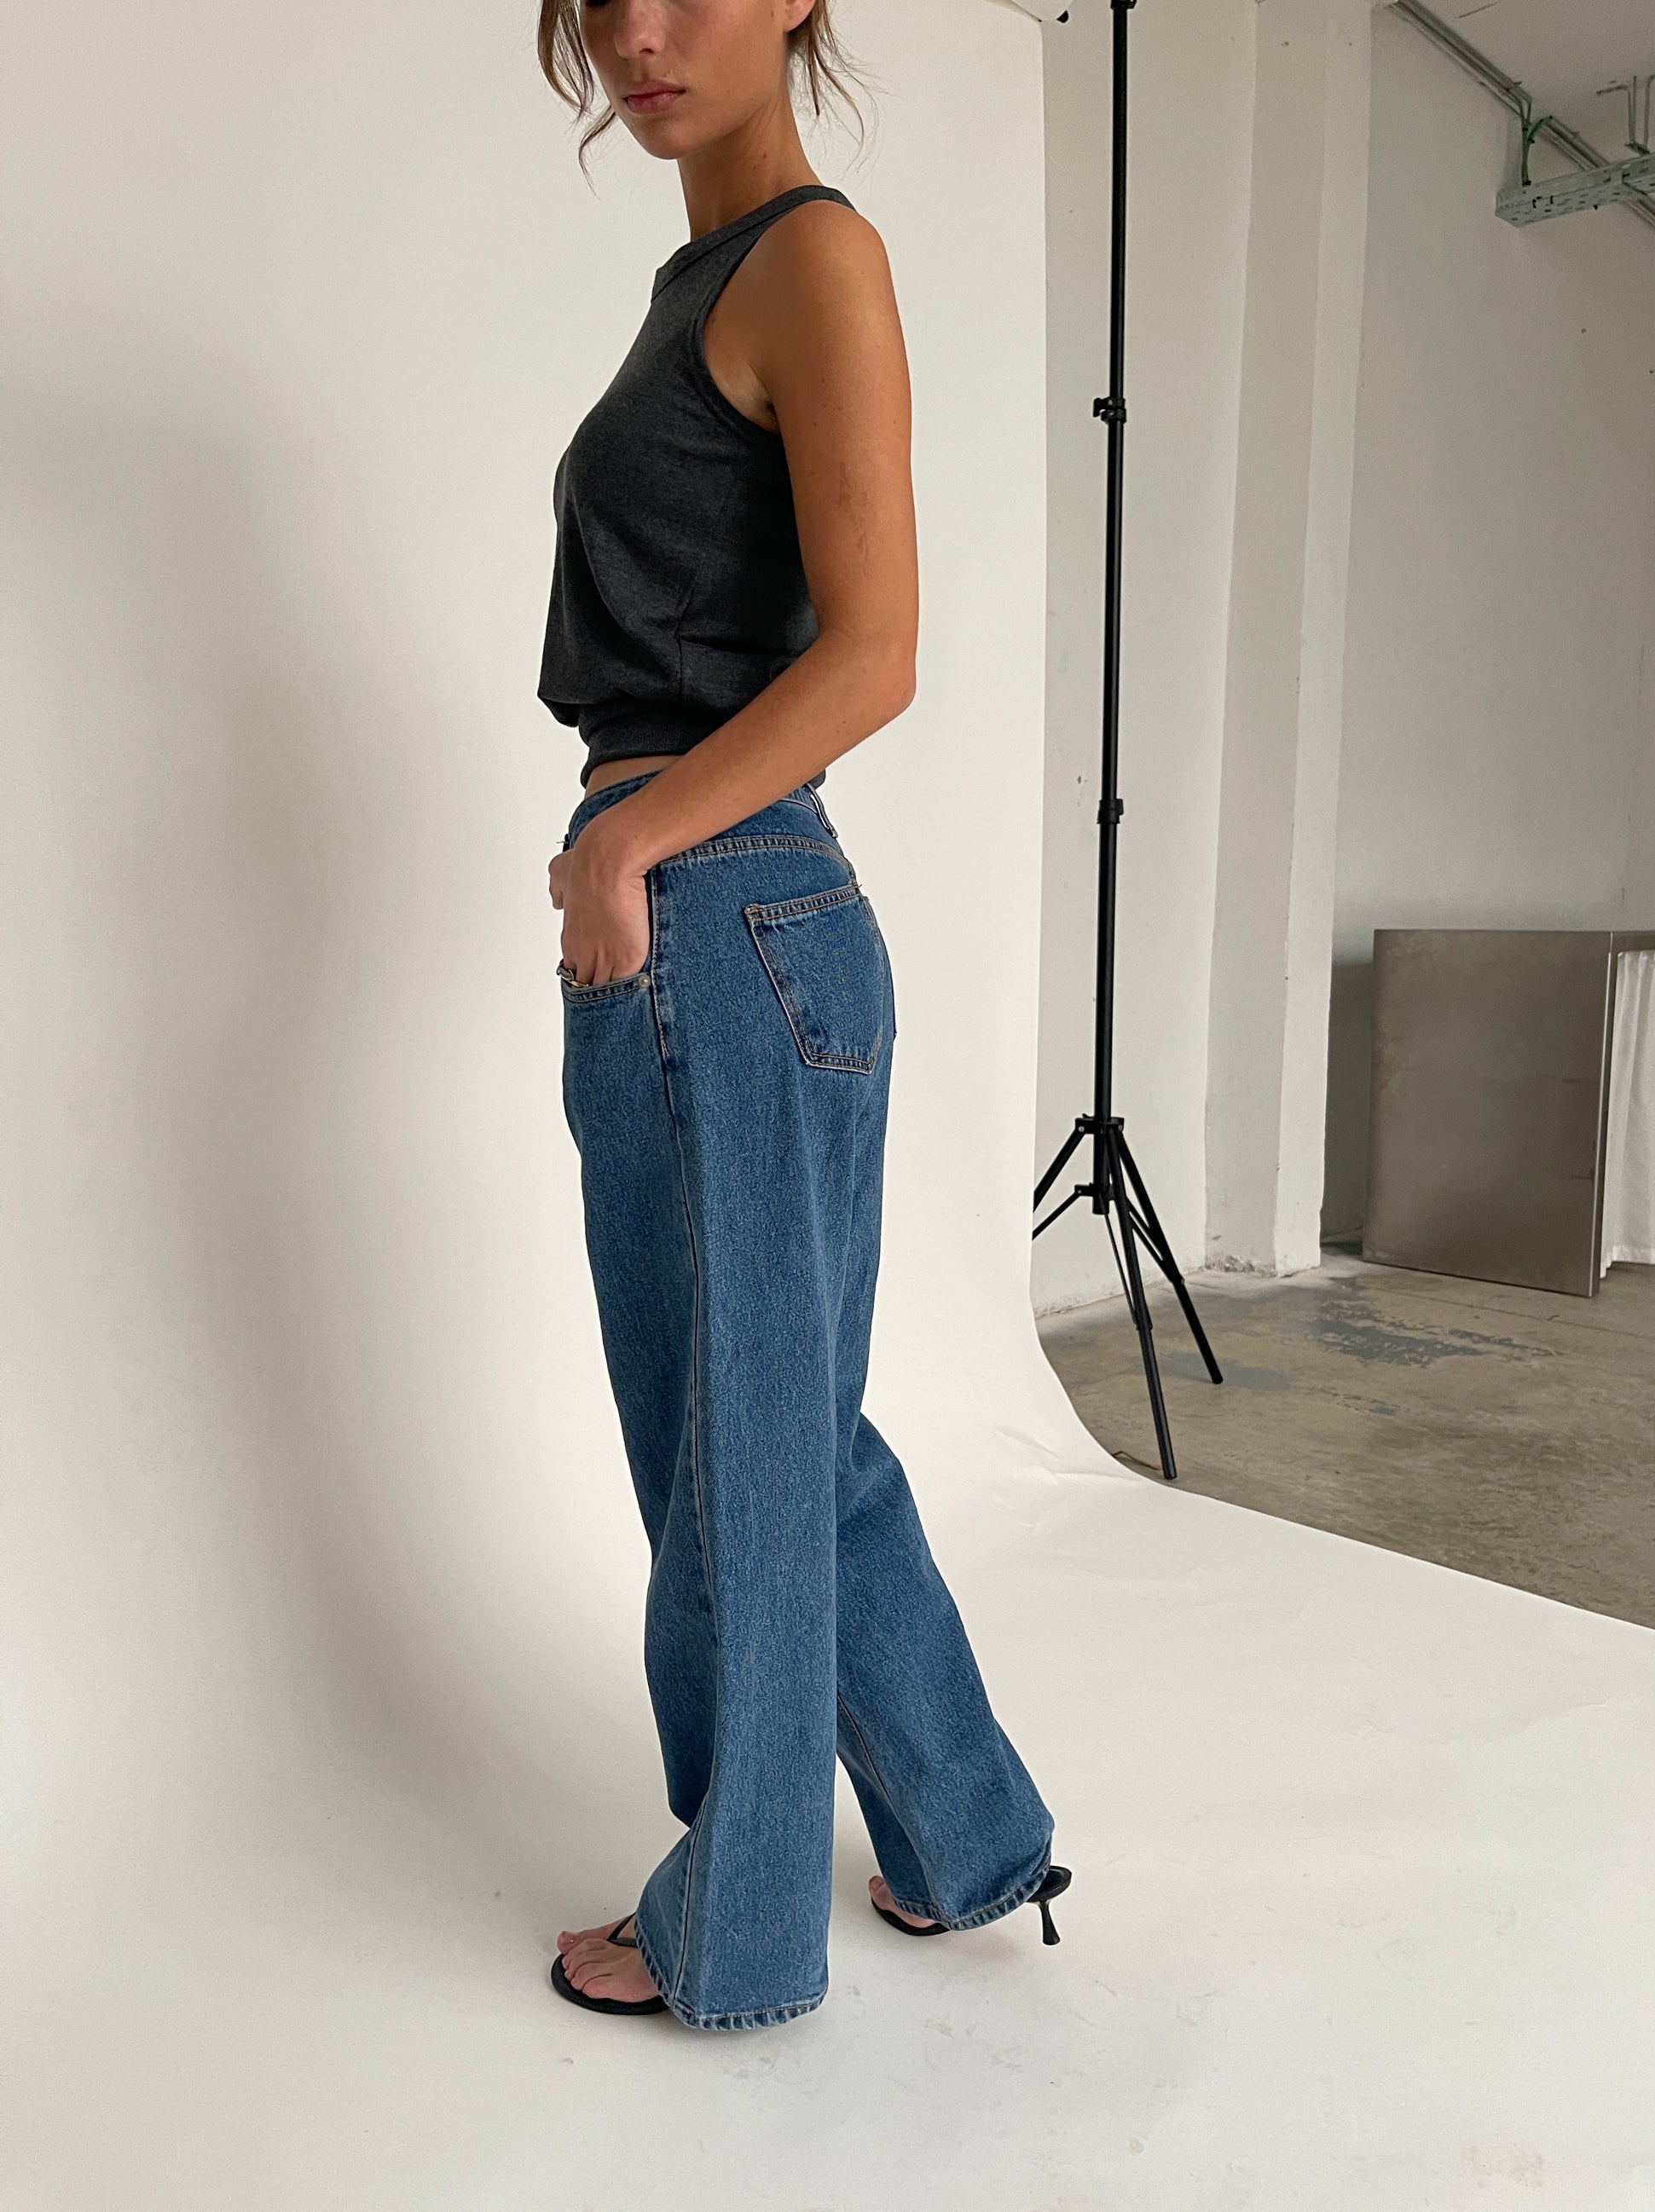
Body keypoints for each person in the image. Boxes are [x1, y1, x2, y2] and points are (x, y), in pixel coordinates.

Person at [537, 0, 1069, 2033]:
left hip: (720, 904)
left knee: (739, 1454)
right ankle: (963, 1833)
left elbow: (876, 652)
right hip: (728, 914)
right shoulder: (709, 279)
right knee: (773, 1430)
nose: (635, 31)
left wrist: (625, 843)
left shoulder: (812, 258)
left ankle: (739, 1926)